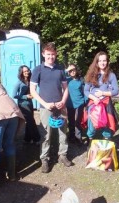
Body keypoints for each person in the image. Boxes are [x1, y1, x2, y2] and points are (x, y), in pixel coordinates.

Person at [30, 42, 73, 173]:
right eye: (48, 54)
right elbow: (33, 90)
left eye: (53, 54)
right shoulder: (38, 69)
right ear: (43, 54)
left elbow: (66, 89)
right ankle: (44, 159)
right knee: (46, 135)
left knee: (63, 132)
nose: (51, 57)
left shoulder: (60, 69)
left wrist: (63, 101)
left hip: (60, 106)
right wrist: (45, 103)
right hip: (45, 107)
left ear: (56, 54)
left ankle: (63, 155)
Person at [84, 51, 119, 142]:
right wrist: (94, 98)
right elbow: (86, 91)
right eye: (100, 61)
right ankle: (90, 145)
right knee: (91, 125)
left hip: (106, 103)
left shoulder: (111, 75)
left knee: (107, 125)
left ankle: (106, 148)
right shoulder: (92, 74)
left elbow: (115, 91)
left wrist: (103, 93)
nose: (102, 63)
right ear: (96, 62)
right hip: (94, 103)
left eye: (104, 60)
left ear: (107, 62)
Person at [13, 65, 40, 145]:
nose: (26, 72)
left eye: (27, 70)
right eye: (24, 71)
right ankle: (37, 139)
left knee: (29, 121)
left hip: (30, 103)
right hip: (23, 105)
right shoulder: (18, 83)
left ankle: (27, 139)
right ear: (21, 73)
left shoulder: (30, 81)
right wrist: (25, 96)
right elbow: (14, 95)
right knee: (31, 121)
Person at [65, 64, 85, 144]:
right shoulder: (66, 80)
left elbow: (85, 92)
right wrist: (67, 69)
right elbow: (60, 75)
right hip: (70, 104)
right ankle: (71, 136)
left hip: (79, 104)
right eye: (70, 71)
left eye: (74, 70)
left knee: (77, 122)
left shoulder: (81, 80)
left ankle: (78, 138)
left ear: (76, 70)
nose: (72, 72)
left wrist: (85, 103)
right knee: (71, 121)